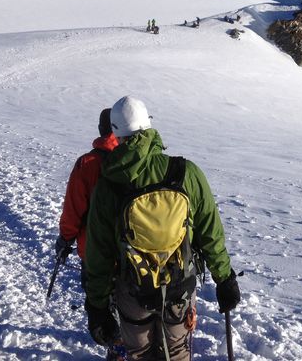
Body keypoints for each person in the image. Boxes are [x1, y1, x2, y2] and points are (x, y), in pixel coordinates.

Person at [84, 96, 240, 361]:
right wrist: (224, 278)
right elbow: (210, 232)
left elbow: (98, 253)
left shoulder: (108, 185)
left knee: (139, 352)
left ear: (115, 133)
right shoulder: (185, 173)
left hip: (132, 289)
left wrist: (97, 306)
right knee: (178, 350)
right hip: (180, 286)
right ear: (149, 125)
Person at [56, 109, 120, 281]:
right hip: (132, 250)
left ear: (100, 128)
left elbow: (74, 209)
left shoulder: (87, 163)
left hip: (94, 249)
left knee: (97, 302)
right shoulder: (136, 160)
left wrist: (65, 239)